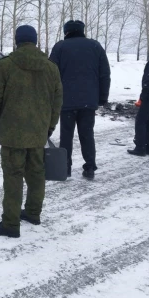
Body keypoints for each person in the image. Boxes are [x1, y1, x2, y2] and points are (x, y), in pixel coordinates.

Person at [0, 25, 62, 237]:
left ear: (17, 40)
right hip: (38, 132)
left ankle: (10, 223)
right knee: (36, 174)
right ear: (34, 41)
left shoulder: (6, 65)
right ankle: (33, 213)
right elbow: (57, 101)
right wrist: (50, 126)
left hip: (12, 133)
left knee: (13, 176)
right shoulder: (51, 68)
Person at [49, 20, 110, 179]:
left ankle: (65, 168)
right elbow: (104, 74)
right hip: (88, 101)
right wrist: (102, 97)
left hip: (66, 100)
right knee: (87, 134)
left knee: (66, 135)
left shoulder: (60, 47)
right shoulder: (95, 46)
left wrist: (51, 97)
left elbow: (50, 75)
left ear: (66, 31)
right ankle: (89, 167)